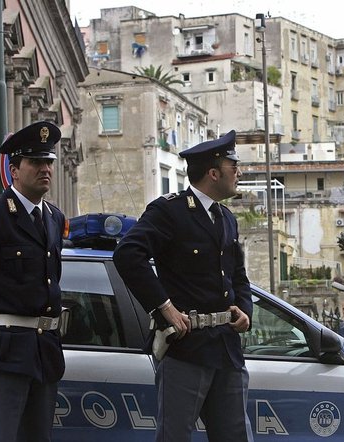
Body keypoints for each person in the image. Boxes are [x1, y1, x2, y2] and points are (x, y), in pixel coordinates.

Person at [113, 130, 254, 442]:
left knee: (236, 436)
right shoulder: (170, 211)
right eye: (234, 167)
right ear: (214, 173)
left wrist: (245, 309)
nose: (239, 173)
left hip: (226, 349)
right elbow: (127, 254)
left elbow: (239, 275)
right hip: (187, 348)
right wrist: (165, 308)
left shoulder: (226, 218)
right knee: (174, 436)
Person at [0, 121, 66, 442]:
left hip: (44, 349)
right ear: (14, 170)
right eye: (35, 162)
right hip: (4, 350)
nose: (45, 169)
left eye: (49, 162)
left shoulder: (54, 218)